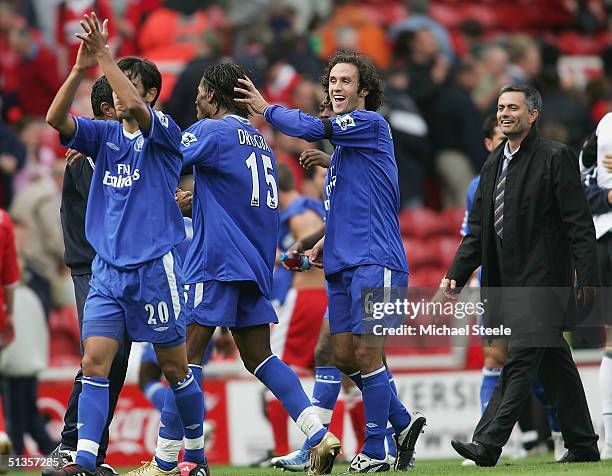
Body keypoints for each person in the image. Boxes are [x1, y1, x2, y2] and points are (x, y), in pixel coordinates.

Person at [138, 62, 340, 476]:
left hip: (215, 262)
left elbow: (167, 153)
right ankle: (319, 435)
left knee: (183, 361)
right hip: (253, 265)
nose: (194, 99)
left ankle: (166, 461)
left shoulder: (212, 131)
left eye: (199, 92)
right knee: (260, 358)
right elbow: (236, 200)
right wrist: (196, 204)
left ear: (212, 96)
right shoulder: (261, 144)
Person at [235, 51, 426, 473]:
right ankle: (402, 420)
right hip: (342, 264)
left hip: (377, 260)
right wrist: (321, 244)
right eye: (332, 81)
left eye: (345, 81)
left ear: (364, 90)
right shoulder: (342, 158)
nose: (337, 88)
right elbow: (348, 208)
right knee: (340, 355)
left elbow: (312, 126)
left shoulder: (371, 124)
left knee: (367, 353)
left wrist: (267, 110)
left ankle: (375, 450)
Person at [44, 13, 206, 476]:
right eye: (116, 80)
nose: (117, 90)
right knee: (94, 363)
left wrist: (106, 56)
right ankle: (87, 461)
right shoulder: (105, 135)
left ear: (150, 94)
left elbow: (132, 104)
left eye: (129, 83)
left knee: (176, 370)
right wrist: (79, 69)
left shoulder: (166, 133)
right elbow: (55, 119)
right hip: (108, 273)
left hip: (156, 270)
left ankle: (194, 455)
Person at [442, 84, 600, 465]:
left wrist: (588, 276)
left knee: (521, 358)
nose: (504, 113)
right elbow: (478, 230)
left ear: (532, 115)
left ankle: (487, 442)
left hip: (545, 282)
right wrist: (456, 274)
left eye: (513, 107)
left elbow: (579, 224)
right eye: (500, 107)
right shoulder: (493, 163)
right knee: (554, 363)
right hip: (506, 284)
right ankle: (582, 443)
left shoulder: (556, 157)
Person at [460, 115, 565, 464]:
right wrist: (458, 276)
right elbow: (473, 237)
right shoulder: (479, 185)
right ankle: (562, 436)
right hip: (494, 286)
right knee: (510, 359)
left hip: (532, 285)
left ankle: (506, 440)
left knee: (530, 363)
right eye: (495, 137)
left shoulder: (540, 170)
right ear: (489, 144)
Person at [48, 75, 129, 476]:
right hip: (92, 266)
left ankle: (89, 453)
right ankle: (70, 448)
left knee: (114, 359)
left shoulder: (102, 151)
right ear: (105, 112)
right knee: (101, 356)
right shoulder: (88, 153)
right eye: (120, 102)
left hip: (109, 266)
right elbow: (116, 205)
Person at [580, 113, 612, 460]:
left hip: (602, 237)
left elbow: (582, 180)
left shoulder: (605, 124)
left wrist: (603, 198)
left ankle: (610, 440)